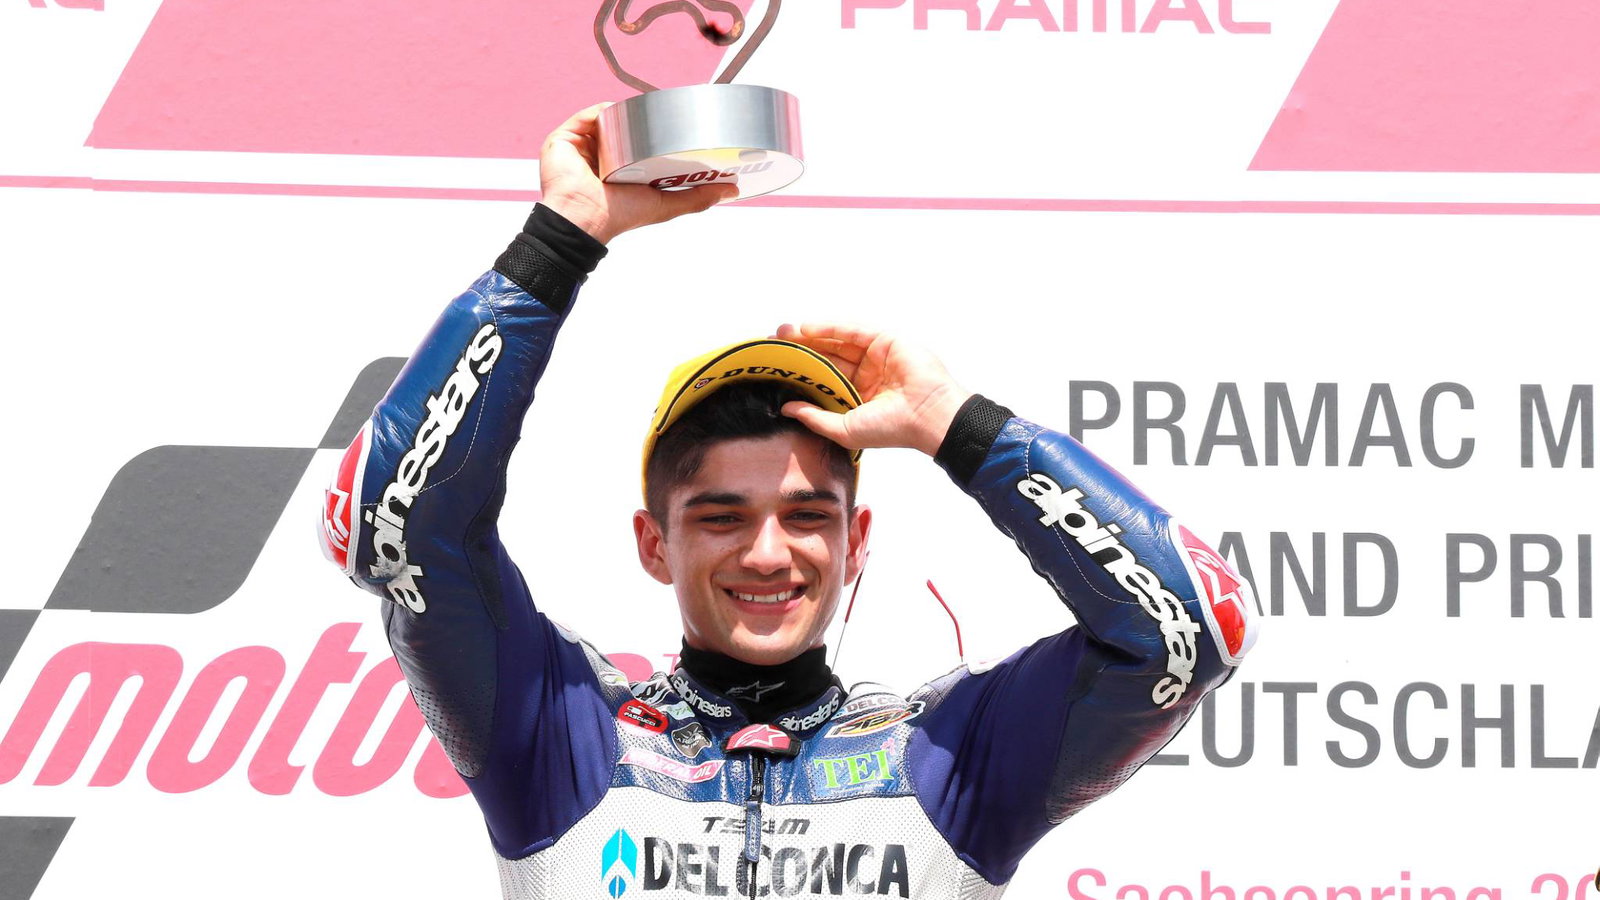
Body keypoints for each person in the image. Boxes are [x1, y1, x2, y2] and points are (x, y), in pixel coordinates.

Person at [318, 103, 1258, 899]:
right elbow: (389, 527)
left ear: (857, 540)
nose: (768, 552)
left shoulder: (947, 757)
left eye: (808, 517)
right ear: (654, 542)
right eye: (721, 517)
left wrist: (958, 426)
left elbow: (1188, 633)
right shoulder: (563, 737)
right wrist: (563, 237)